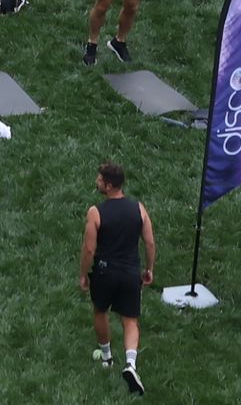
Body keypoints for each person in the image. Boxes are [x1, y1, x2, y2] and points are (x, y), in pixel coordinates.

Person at [82, 165, 157, 392]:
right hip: (130, 273)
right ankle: (131, 364)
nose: (97, 182)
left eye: (99, 180)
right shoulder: (138, 208)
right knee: (130, 320)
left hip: (104, 273)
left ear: (108, 185)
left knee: (100, 311)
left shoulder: (96, 212)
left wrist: (83, 274)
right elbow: (149, 242)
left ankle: (107, 359)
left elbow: (89, 249)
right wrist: (149, 268)